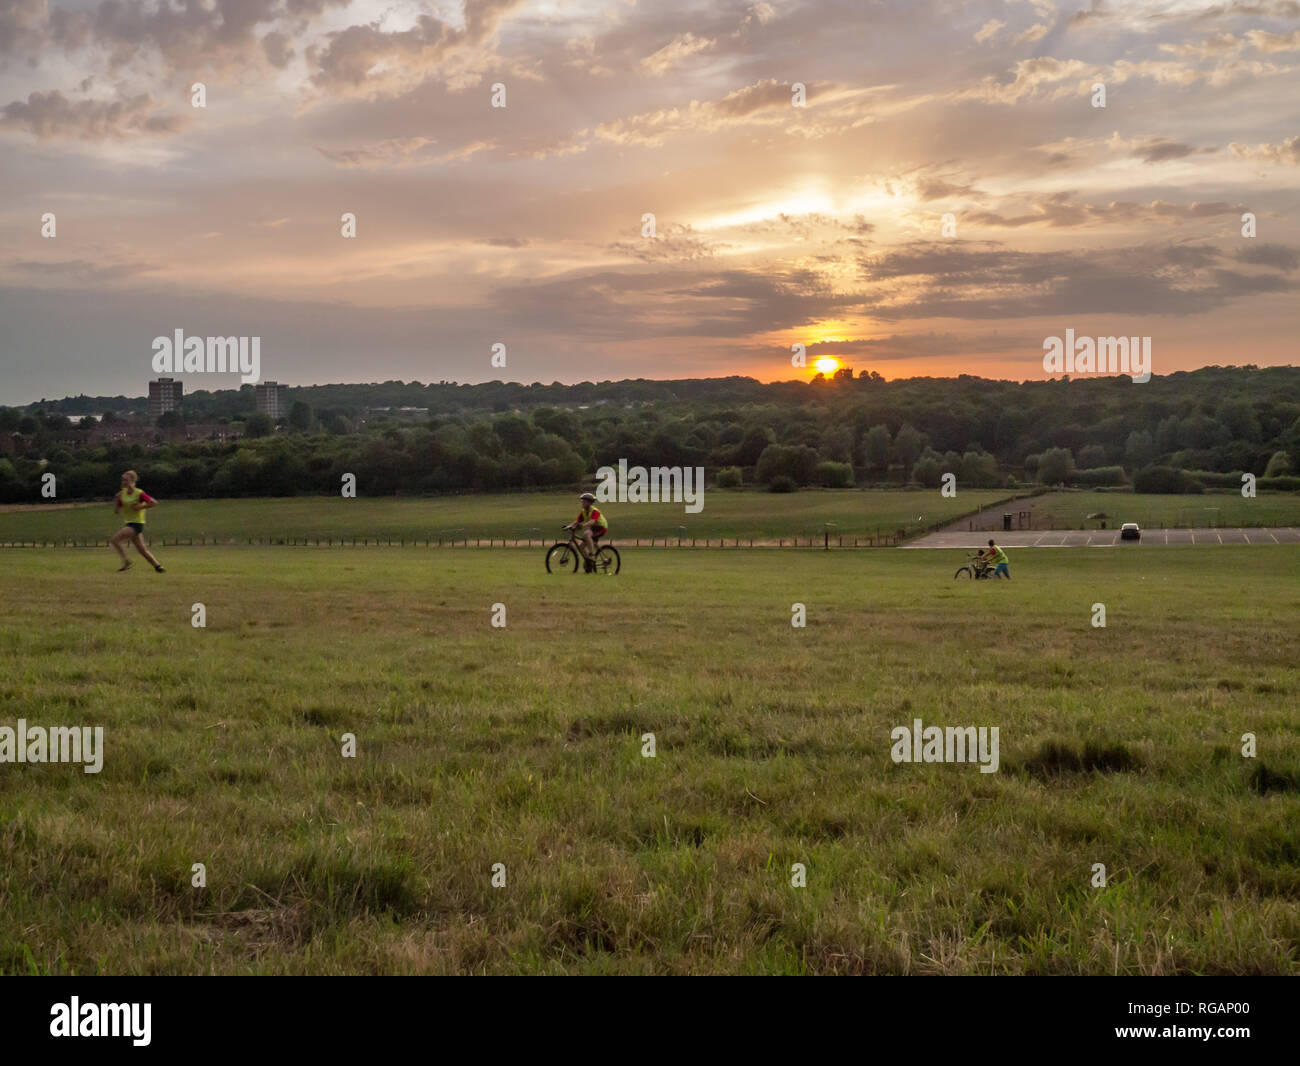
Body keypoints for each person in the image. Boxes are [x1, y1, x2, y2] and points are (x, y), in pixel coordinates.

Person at [111, 470, 165, 573]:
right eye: (122, 480)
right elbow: (116, 511)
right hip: (129, 523)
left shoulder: (139, 493)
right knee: (142, 550)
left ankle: (126, 562)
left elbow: (154, 503)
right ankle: (158, 566)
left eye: (125, 480)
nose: (123, 482)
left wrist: (140, 507)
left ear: (132, 480)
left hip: (137, 524)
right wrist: (117, 500)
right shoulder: (122, 494)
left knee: (115, 540)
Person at [566, 491, 608, 573]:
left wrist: (583, 525)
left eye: (584, 502)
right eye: (582, 501)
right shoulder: (584, 511)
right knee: (581, 547)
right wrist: (569, 526)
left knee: (586, 534)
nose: (582, 503)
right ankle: (589, 563)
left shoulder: (594, 511)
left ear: (589, 503)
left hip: (601, 527)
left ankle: (592, 555)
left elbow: (592, 521)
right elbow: (577, 521)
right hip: (593, 528)